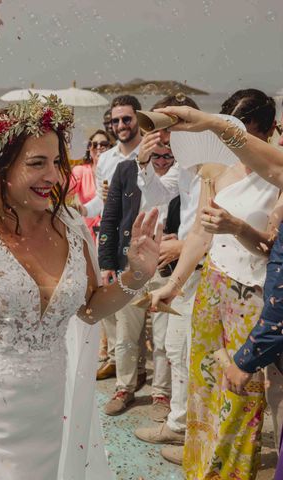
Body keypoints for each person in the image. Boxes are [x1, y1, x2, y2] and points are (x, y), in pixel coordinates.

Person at [0, 3, 163, 478]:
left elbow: (90, 309)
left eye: (57, 162)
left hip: (50, 418)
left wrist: (137, 275)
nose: (54, 175)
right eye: (37, 163)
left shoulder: (71, 227)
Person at [151, 89, 282, 478]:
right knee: (204, 390)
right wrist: (173, 286)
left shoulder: (277, 175)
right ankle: (200, 468)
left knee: (241, 397)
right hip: (212, 287)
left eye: (244, 134)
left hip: (255, 296)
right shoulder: (215, 167)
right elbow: (198, 235)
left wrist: (237, 228)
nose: (234, 144)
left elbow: (275, 253)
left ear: (269, 130)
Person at [131, 94, 204, 465]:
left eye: (165, 126)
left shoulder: (212, 157)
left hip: (202, 266)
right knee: (176, 349)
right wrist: (144, 161)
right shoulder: (185, 163)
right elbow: (158, 195)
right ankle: (178, 424)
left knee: (195, 356)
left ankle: (198, 438)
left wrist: (184, 245)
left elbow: (216, 222)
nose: (161, 136)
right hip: (184, 268)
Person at [98, 122, 176, 417]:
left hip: (168, 266)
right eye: (156, 155)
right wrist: (106, 262)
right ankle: (125, 387)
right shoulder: (126, 170)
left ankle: (161, 394)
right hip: (129, 263)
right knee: (126, 333)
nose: (162, 161)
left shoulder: (187, 176)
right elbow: (110, 218)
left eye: (167, 156)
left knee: (164, 336)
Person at [92, 95, 144, 383]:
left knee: (136, 319)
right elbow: (104, 208)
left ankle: (137, 375)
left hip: (146, 244)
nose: (121, 125)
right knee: (114, 314)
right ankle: (116, 363)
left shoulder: (153, 153)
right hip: (113, 238)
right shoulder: (107, 160)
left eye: (127, 118)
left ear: (138, 119)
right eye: (115, 120)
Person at [69, 129, 111, 240]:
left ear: (111, 148)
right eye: (94, 144)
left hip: (111, 231)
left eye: (104, 144)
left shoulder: (116, 171)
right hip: (87, 234)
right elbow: (65, 190)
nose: (99, 147)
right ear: (89, 148)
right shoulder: (80, 171)